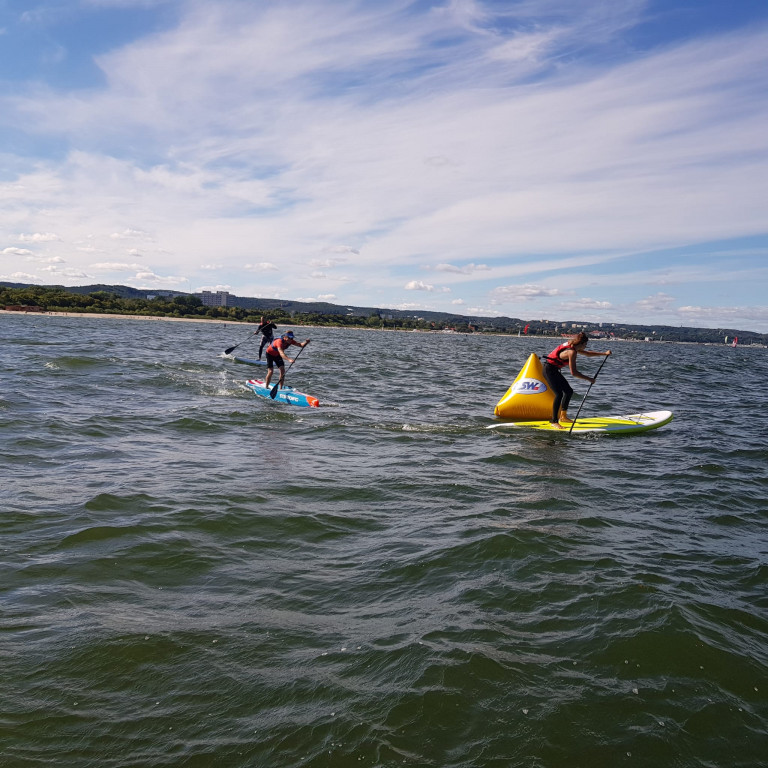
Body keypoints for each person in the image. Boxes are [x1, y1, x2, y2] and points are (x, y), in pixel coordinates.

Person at [542, 332, 611, 429]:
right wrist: (589, 379)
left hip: (553, 370)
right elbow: (573, 372)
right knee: (559, 394)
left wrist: (604, 354)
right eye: (585, 345)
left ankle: (563, 416)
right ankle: (554, 421)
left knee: (569, 391)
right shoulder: (572, 351)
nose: (585, 347)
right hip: (548, 370)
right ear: (582, 343)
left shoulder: (573, 347)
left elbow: (587, 354)